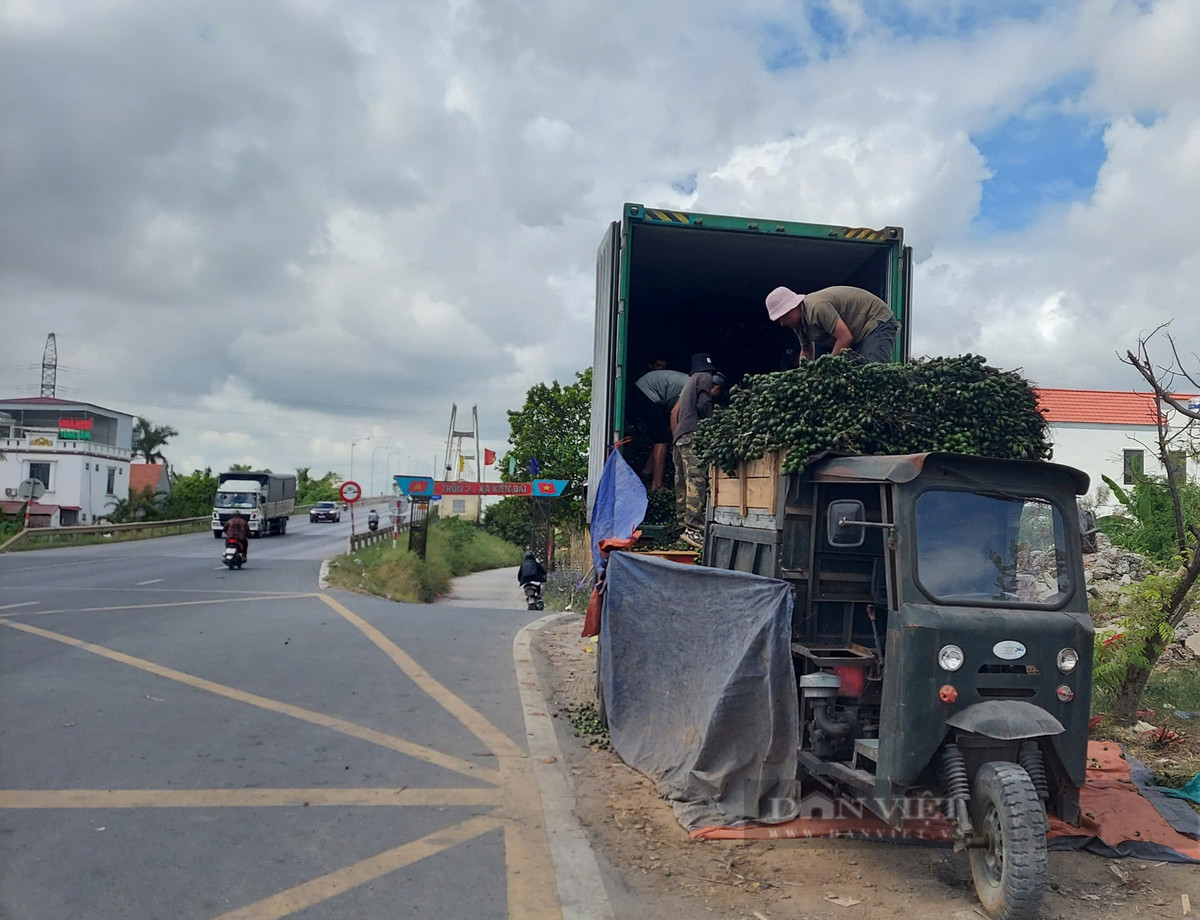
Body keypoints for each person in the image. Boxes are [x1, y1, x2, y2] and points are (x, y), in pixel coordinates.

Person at [672, 353, 726, 549]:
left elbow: (675, 413)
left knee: (682, 483)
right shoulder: (705, 377)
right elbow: (703, 405)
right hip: (693, 434)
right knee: (696, 481)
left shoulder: (688, 382)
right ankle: (694, 529)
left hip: (680, 437)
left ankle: (681, 529)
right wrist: (714, 426)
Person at [765, 285, 900, 364]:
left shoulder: (817, 307)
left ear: (793, 307)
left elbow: (845, 338)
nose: (782, 323)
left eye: (783, 317)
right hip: (856, 331)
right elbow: (807, 351)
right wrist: (803, 377)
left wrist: (827, 368)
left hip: (875, 320)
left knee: (872, 372)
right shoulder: (799, 325)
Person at [630, 365, 689, 491]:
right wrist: (676, 441)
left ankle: (647, 471)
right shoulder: (692, 388)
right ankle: (657, 485)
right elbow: (674, 413)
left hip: (648, 392)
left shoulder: (691, 383)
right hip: (645, 392)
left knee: (660, 434)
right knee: (661, 439)